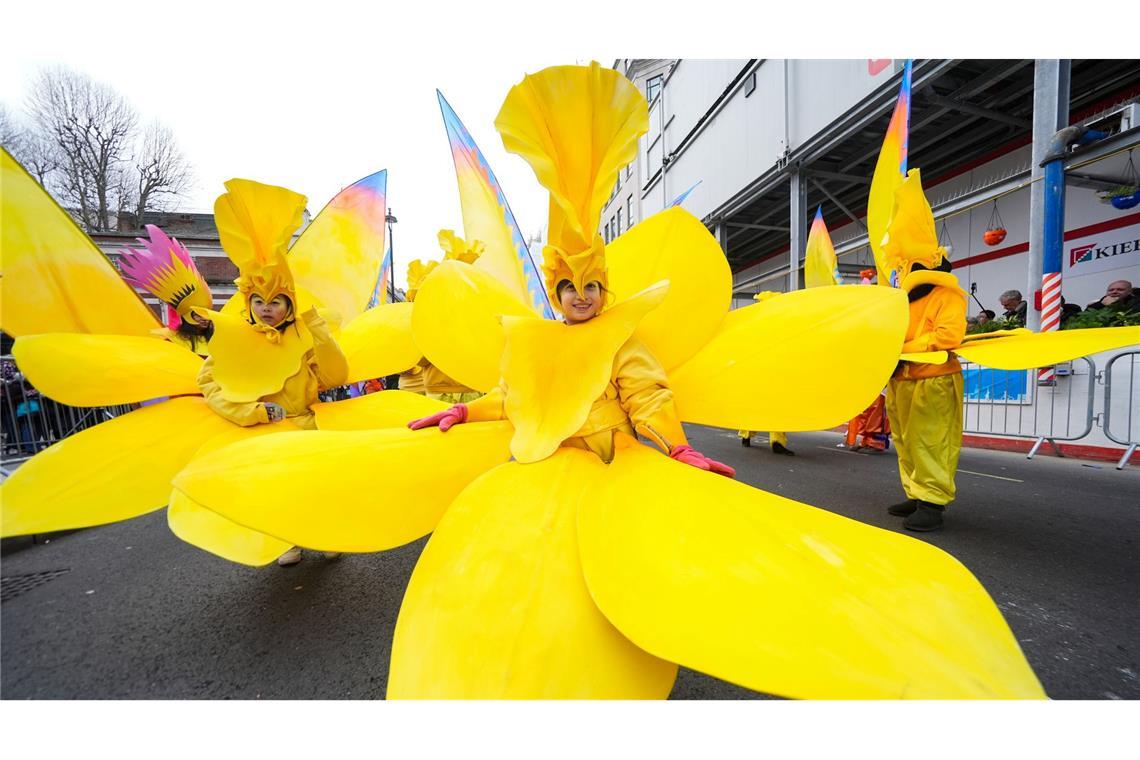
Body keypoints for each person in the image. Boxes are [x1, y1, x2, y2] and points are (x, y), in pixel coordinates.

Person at [408, 268, 733, 477]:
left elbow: (646, 396)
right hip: (554, 459)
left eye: (590, 285)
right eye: (570, 287)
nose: (581, 295)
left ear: (603, 293)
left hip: (612, 457)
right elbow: (513, 397)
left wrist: (677, 446)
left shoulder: (620, 336)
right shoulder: (535, 339)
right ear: (557, 296)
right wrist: (465, 410)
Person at [196, 179, 349, 565]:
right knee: (277, 491)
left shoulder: (302, 336)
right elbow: (213, 386)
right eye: (259, 300)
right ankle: (288, 541)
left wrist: (318, 332)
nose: (267, 308)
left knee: (316, 486)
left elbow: (334, 376)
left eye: (276, 301)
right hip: (265, 433)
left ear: (288, 304)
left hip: (307, 429)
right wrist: (254, 414)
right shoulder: (234, 339)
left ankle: (326, 533)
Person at [881, 173, 967, 532]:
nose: (903, 271)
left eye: (909, 265)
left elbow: (948, 336)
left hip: (933, 380)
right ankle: (916, 493)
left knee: (931, 441)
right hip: (900, 380)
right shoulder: (902, 301)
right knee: (905, 441)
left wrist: (902, 349)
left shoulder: (946, 296)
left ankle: (933, 501)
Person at [118, 225, 215, 356]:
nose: (204, 318)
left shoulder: (218, 339)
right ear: (186, 316)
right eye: (198, 314)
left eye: (206, 313)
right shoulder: (170, 341)